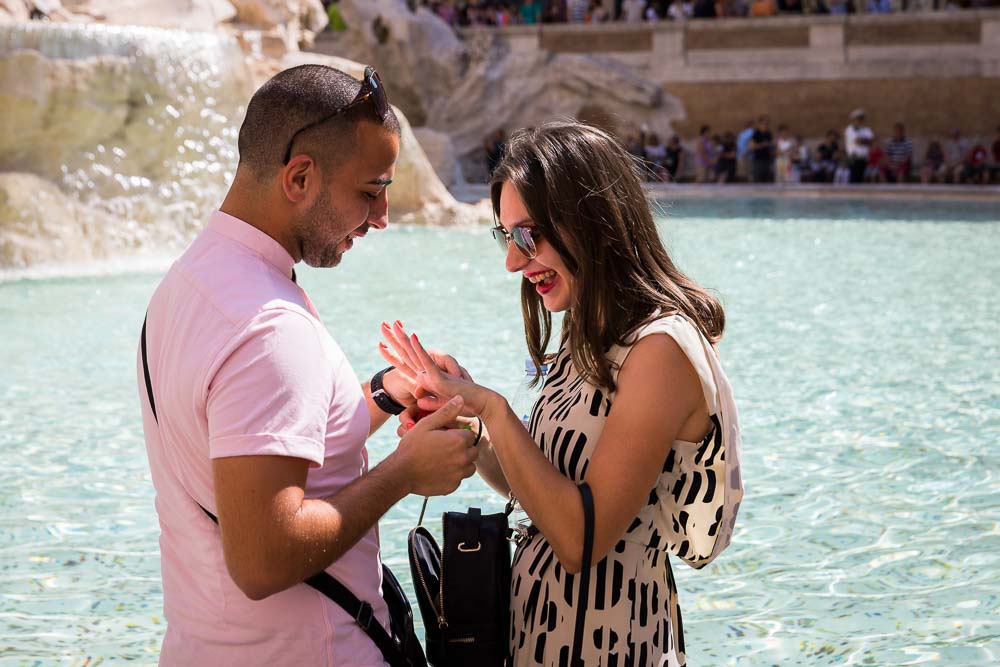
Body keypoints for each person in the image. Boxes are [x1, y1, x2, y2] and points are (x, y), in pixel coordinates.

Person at [137, 64, 479, 665]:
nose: (381, 217)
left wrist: (387, 393)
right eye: (370, 191)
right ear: (300, 176)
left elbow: (254, 442)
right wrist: (406, 471)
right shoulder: (268, 327)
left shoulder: (190, 281)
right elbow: (265, 558)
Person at [380, 121, 743, 666]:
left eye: (528, 235)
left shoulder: (660, 349)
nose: (512, 261)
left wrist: (493, 409)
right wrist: (470, 424)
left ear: (590, 221)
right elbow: (543, 489)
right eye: (506, 237)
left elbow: (581, 538)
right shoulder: (591, 332)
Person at [844, 108, 873, 184]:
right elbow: (857, 141)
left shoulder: (866, 129)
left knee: (861, 180)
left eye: (861, 119)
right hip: (854, 159)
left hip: (864, 159)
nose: (859, 121)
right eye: (858, 119)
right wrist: (865, 141)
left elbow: (872, 141)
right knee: (854, 179)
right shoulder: (850, 129)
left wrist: (862, 140)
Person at [749, 115, 774, 183]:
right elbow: (751, 147)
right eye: (764, 124)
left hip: (767, 160)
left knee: (767, 180)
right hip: (758, 161)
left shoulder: (768, 134)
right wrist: (762, 145)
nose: (765, 125)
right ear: (760, 124)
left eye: (767, 124)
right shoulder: (756, 134)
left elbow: (771, 144)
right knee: (758, 179)